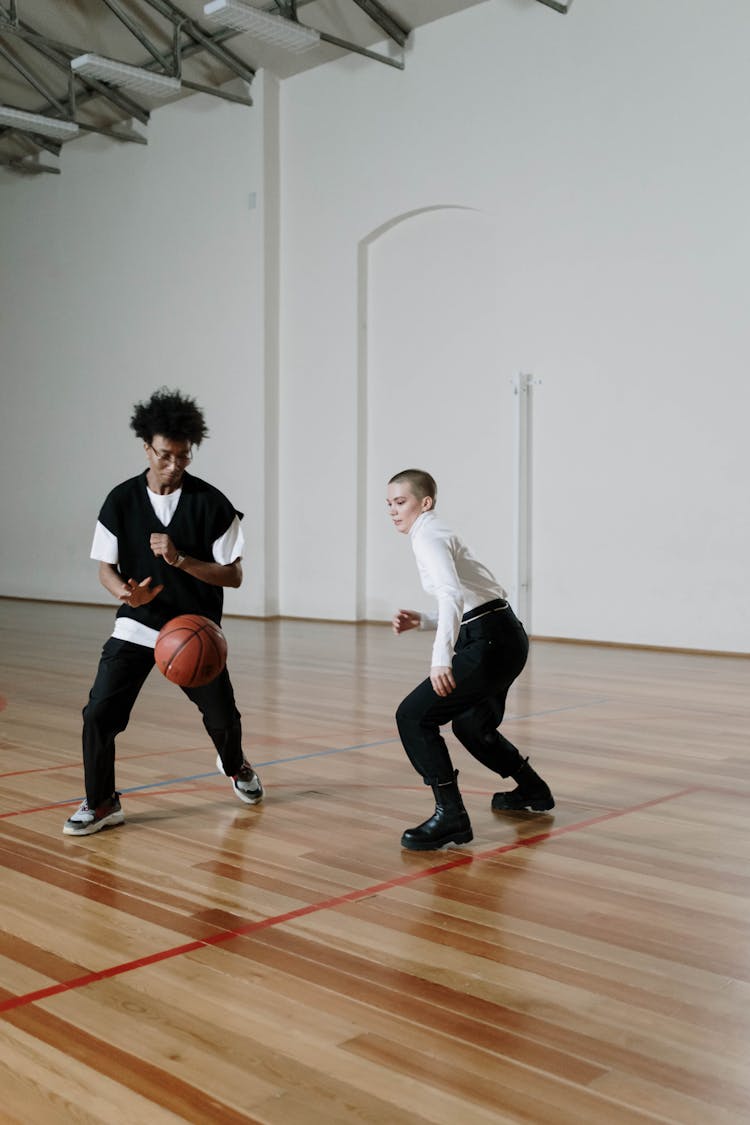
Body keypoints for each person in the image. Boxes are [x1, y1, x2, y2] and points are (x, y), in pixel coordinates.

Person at [63, 388, 263, 836]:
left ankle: (235, 765)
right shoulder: (120, 500)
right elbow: (106, 570)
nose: (174, 466)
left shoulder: (213, 504)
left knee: (224, 719)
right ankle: (101, 802)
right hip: (138, 625)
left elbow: (233, 577)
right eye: (166, 456)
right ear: (147, 448)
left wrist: (180, 561)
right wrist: (125, 595)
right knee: (98, 714)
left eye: (184, 457)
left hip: (194, 628)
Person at [387, 469, 553, 851]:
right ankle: (532, 789)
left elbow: (451, 596)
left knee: (413, 716)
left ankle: (451, 818)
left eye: (401, 502)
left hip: (491, 641)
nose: (394, 511)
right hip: (503, 635)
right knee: (470, 725)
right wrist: (425, 622)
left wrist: (440, 659)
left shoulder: (426, 533)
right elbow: (475, 596)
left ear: (424, 502)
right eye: (389, 505)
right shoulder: (433, 531)